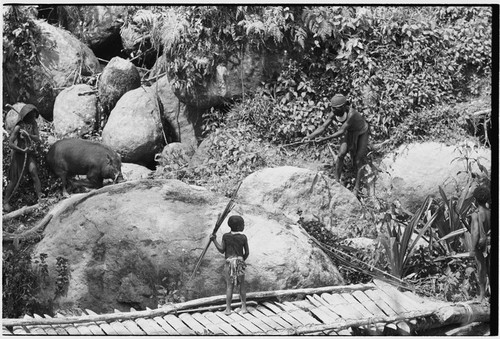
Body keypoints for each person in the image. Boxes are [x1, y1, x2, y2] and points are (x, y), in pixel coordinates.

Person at [304, 94, 369, 197]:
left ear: (344, 106)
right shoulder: (334, 112)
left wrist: (324, 139)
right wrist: (310, 136)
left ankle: (356, 189)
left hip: (361, 132)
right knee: (340, 155)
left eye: (336, 108)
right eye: (332, 108)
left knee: (357, 160)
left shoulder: (351, 114)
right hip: (350, 132)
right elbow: (323, 126)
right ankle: (336, 181)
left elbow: (341, 131)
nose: (333, 111)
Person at [3, 104, 42, 212]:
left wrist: (28, 135)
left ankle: (40, 197)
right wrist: (21, 150)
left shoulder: (33, 124)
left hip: (29, 154)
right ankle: (6, 201)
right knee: (14, 179)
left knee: (34, 172)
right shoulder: (18, 126)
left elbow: (37, 139)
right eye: (32, 115)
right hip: (19, 155)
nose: (34, 117)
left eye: (35, 115)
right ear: (27, 115)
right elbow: (10, 143)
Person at [210, 215, 249, 315]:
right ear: (239, 227)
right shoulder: (243, 237)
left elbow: (222, 250)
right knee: (241, 285)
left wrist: (214, 240)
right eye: (243, 224)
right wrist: (240, 260)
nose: (244, 226)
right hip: (239, 262)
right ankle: (244, 307)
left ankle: (228, 309)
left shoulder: (226, 236)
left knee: (229, 286)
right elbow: (247, 252)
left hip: (228, 263)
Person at [470, 185, 491, 302]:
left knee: (481, 269)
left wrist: (473, 249)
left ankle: (481, 296)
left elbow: (475, 232)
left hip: (481, 246)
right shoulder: (490, 212)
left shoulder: (475, 215)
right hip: (490, 243)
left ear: (475, 200)